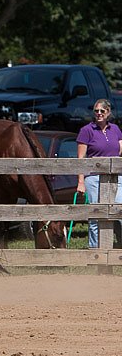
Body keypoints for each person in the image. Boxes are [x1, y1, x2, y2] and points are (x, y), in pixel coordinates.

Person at [76, 98, 122, 248]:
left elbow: (120, 151)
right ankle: (95, 249)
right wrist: (81, 182)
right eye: (96, 111)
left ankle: (119, 248)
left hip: (115, 177)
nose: (99, 113)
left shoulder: (115, 129)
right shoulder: (87, 130)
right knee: (96, 215)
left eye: (102, 111)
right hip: (94, 177)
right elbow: (80, 159)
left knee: (119, 212)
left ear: (108, 112)